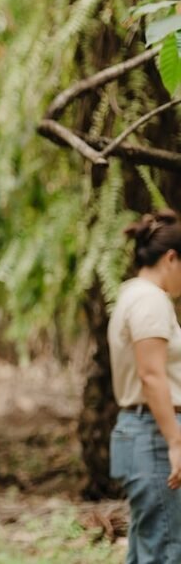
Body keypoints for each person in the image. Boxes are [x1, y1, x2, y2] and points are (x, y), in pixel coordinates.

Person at [110, 209, 181, 563]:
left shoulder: (131, 294)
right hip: (153, 435)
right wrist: (175, 442)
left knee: (147, 549)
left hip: (140, 433)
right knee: (167, 550)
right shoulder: (151, 300)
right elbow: (151, 376)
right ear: (171, 258)